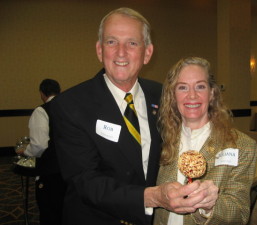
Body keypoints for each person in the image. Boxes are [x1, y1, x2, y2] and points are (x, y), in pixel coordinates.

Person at [50, 8, 211, 225]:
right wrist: (152, 197)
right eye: (111, 42)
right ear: (99, 50)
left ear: (147, 53)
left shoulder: (163, 95)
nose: (121, 52)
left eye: (132, 43)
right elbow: (85, 181)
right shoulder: (70, 105)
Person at [153, 57, 257, 225]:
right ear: (173, 95)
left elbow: (240, 213)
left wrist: (210, 205)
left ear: (212, 93)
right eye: (182, 87)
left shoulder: (242, 146)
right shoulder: (159, 139)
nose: (192, 95)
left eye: (200, 86)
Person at [16, 78, 66, 225]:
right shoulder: (69, 108)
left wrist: (26, 151)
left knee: (50, 212)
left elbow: (39, 145)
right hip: (70, 170)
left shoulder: (41, 111)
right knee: (66, 210)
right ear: (59, 91)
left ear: (41, 93)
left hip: (50, 173)